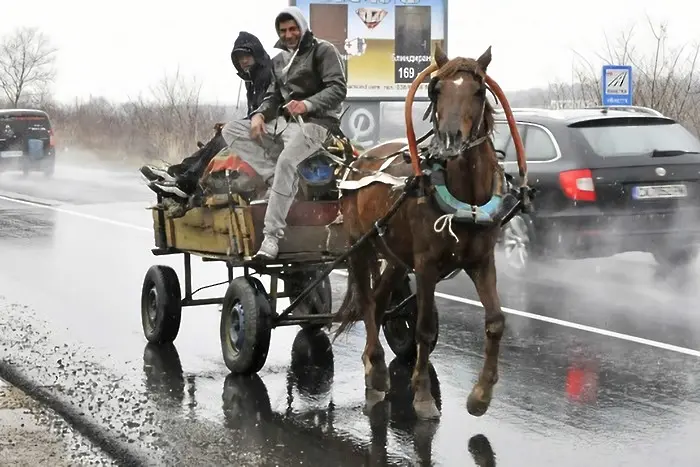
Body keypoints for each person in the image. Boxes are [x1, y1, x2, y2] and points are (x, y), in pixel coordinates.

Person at [218, 6, 347, 260]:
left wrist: (307, 104)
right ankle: (274, 177)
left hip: (317, 124)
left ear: (302, 27)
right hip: (284, 123)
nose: (288, 34)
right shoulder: (278, 61)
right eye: (283, 30)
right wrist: (259, 115)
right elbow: (273, 96)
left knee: (288, 160)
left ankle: (271, 238)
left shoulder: (323, 51)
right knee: (231, 130)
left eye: (293, 28)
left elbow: (338, 89)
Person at [142, 31, 275, 198]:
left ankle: (186, 180)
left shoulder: (268, 74)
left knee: (223, 139)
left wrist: (239, 126)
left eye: (247, 55)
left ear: (257, 53)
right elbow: (254, 114)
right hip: (259, 128)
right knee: (220, 137)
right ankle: (178, 174)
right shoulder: (253, 79)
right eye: (239, 58)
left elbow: (267, 111)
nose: (244, 61)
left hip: (271, 133)